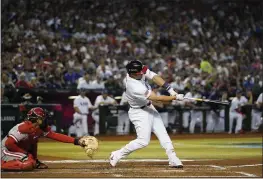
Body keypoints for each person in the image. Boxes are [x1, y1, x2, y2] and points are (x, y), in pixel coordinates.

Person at [109, 59, 184, 168]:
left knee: (163, 134)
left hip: (149, 107)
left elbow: (154, 76)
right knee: (143, 141)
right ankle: (116, 154)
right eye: (140, 72)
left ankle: (173, 158)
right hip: (139, 112)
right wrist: (175, 97)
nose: (143, 72)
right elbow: (157, 98)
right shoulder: (134, 86)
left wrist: (171, 90)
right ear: (133, 73)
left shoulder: (138, 71)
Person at [1, 107, 86, 171]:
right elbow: (8, 144)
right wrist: (25, 154)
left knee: (34, 144)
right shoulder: (24, 127)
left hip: (13, 151)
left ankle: (33, 160)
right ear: (37, 120)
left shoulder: (39, 129)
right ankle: (2, 165)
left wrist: (76, 141)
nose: (45, 120)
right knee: (28, 164)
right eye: (42, 118)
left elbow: (56, 136)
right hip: (5, 150)